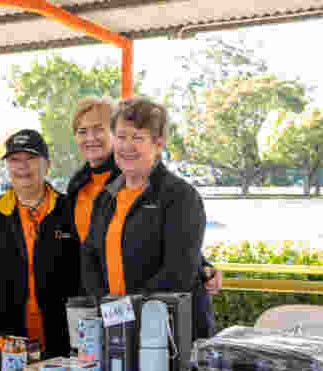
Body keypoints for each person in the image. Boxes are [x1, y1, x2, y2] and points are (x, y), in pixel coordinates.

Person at [69, 96, 219, 338]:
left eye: (137, 138)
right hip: (119, 327)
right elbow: (90, 256)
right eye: (121, 136)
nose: (126, 146)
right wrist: (105, 307)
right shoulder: (106, 197)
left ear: (158, 143)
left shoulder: (180, 195)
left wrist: (126, 310)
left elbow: (179, 271)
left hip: (170, 332)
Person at [0, 129, 80, 362]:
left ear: (47, 165)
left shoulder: (71, 211)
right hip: (7, 339)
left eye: (31, 159)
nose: (22, 167)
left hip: (62, 338)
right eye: (15, 160)